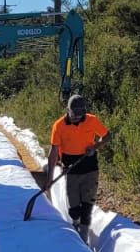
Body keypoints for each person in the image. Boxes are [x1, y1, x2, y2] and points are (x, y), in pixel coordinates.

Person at [45, 94, 110, 243]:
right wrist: (49, 180)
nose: (76, 119)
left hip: (90, 167)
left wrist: (95, 146)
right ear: (68, 110)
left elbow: (106, 136)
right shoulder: (59, 126)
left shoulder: (91, 120)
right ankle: (76, 224)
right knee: (74, 210)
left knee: (87, 206)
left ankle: (83, 238)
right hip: (71, 169)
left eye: (80, 116)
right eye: (74, 116)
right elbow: (53, 152)